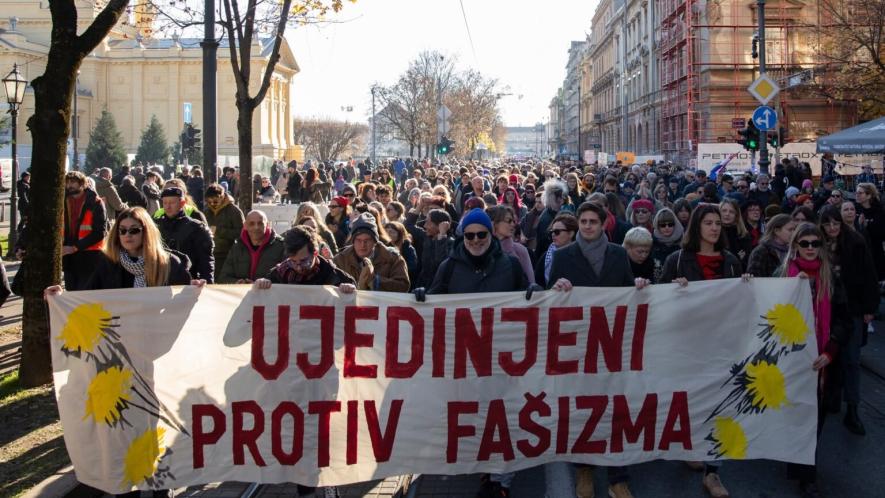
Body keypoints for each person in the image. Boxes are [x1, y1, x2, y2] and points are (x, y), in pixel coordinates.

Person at [545, 201, 647, 498]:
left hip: (612, 344)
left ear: (603, 224)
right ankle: (584, 469)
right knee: (582, 408)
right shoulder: (564, 256)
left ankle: (618, 476)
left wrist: (638, 285)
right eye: (584, 221)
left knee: (615, 407)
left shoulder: (618, 254)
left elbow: (628, 291)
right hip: (578, 344)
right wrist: (557, 287)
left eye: (593, 221)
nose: (588, 226)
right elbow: (552, 295)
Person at [660, 203, 748, 498]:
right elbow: (659, 303)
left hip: (722, 345)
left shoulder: (731, 261)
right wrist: (674, 290)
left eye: (717, 224)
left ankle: (714, 472)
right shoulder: (677, 259)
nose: (714, 228)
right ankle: (690, 446)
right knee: (690, 402)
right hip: (687, 346)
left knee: (720, 406)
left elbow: (744, 303)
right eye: (708, 222)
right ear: (696, 226)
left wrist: (748, 286)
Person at [779, 222, 843, 498]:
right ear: (795, 245)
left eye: (814, 243)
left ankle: (804, 467)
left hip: (822, 361)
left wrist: (830, 350)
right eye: (803, 243)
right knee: (797, 416)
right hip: (791, 359)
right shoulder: (782, 276)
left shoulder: (831, 278)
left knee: (815, 419)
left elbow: (843, 320)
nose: (809, 249)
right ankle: (805, 474)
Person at [819, 205, 879, 436]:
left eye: (836, 223)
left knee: (852, 359)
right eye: (828, 223)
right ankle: (832, 396)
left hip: (851, 307)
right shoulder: (816, 242)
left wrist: (869, 307)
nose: (833, 228)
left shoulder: (855, 241)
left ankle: (852, 408)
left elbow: (868, 274)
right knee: (829, 355)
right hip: (825, 307)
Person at [333, 213, 410, 292]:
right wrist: (341, 286)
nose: (363, 245)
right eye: (358, 240)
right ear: (353, 241)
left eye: (367, 240)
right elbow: (329, 285)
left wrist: (375, 281)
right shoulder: (340, 259)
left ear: (375, 241)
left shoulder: (393, 258)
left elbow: (403, 286)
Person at [155, 187, 215, 283]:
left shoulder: (196, 227)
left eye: (172, 202)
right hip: (159, 281)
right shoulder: (155, 225)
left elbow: (205, 260)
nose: (167, 206)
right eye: (165, 203)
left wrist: (207, 282)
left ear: (182, 203)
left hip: (188, 280)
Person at [62, 171, 108, 291]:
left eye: (73, 182)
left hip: (89, 256)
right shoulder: (63, 201)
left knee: (86, 293)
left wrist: (75, 247)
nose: (69, 185)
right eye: (67, 182)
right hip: (68, 257)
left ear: (82, 184)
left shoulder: (95, 203)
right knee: (71, 293)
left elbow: (99, 232)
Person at [218, 210, 287, 284]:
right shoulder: (237, 247)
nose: (256, 227)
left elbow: (286, 279)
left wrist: (265, 283)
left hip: (268, 294)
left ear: (267, 225)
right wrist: (237, 282)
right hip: (241, 294)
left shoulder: (281, 247)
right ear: (245, 226)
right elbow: (223, 277)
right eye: (251, 224)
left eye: (260, 223)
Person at [204, 183, 245, 276]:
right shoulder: (206, 211)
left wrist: (220, 231)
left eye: (215, 202)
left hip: (227, 255)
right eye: (209, 202)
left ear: (222, 197)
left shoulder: (234, 211)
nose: (212, 204)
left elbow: (242, 233)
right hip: (210, 253)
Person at [487, 205, 534, 284]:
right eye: (509, 221)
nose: (513, 224)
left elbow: (531, 284)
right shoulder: (481, 249)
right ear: (494, 223)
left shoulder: (520, 250)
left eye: (513, 221)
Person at [854, 182, 885, 282]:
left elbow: (882, 233)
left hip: (876, 253)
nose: (857, 195)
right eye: (856, 192)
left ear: (869, 195)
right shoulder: (855, 209)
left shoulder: (879, 211)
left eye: (860, 193)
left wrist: (868, 226)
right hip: (859, 252)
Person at [414, 209, 453, 289]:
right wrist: (420, 206)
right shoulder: (427, 237)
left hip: (438, 289)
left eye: (428, 223)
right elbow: (408, 225)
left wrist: (442, 236)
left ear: (440, 225)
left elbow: (440, 263)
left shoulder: (451, 243)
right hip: (422, 285)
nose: (424, 226)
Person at [651, 208, 684, 284]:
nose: (667, 227)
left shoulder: (683, 243)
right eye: (662, 225)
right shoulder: (651, 243)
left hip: (678, 287)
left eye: (670, 224)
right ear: (657, 226)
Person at [720, 198, 753, 267]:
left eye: (731, 212)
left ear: (736, 215)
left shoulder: (744, 235)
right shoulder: (714, 233)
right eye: (724, 211)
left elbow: (746, 261)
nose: (727, 214)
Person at [384, 221, 418, 285]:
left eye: (391, 232)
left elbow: (412, 268)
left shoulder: (409, 249)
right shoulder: (385, 247)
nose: (388, 234)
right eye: (386, 231)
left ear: (400, 234)